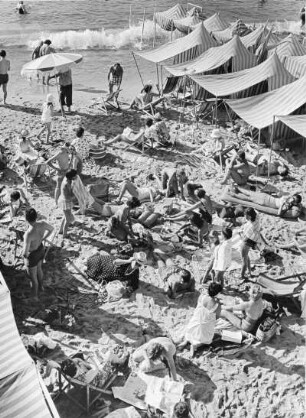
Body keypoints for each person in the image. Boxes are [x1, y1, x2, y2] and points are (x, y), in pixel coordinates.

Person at [178, 282, 223, 356]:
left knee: (190, 333)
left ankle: (185, 342)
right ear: (217, 293)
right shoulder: (216, 305)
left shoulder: (202, 296)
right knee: (208, 340)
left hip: (196, 321)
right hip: (204, 326)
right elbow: (217, 317)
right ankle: (195, 345)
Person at [23, 208, 54, 300]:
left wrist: (24, 258)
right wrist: (44, 238)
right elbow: (52, 229)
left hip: (32, 255)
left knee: (33, 278)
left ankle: (35, 296)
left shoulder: (28, 234)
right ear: (36, 217)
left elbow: (25, 252)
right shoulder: (43, 224)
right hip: (40, 249)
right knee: (39, 269)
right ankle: (41, 287)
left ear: (26, 219)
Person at [230, 187, 303, 218]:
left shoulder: (286, 206)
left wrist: (282, 204)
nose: (292, 200)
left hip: (265, 202)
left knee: (249, 198)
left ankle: (233, 195)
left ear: (295, 203)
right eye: (293, 198)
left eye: (294, 200)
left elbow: (279, 214)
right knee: (250, 193)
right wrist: (299, 192)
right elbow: (294, 193)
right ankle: (237, 188)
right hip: (267, 197)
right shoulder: (289, 198)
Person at [240, 208, 263, 280]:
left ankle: (242, 276)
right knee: (246, 257)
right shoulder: (257, 218)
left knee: (244, 259)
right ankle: (249, 272)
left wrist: (241, 232)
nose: (245, 217)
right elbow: (256, 211)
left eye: (246, 215)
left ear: (250, 216)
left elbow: (245, 234)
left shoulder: (251, 226)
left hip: (247, 241)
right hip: (251, 241)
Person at [58, 169, 77, 244]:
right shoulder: (67, 183)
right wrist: (76, 195)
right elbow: (69, 196)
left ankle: (61, 230)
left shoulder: (66, 179)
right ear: (71, 177)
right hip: (66, 201)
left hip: (63, 200)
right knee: (68, 219)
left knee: (65, 215)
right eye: (75, 176)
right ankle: (65, 234)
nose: (76, 177)